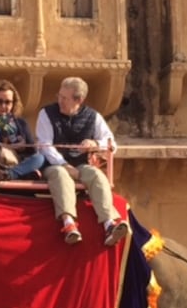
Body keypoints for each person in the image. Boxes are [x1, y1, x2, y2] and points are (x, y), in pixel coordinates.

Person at [36, 76, 130, 246]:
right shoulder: (46, 113)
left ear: (79, 100)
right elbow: (44, 145)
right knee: (60, 175)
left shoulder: (92, 116)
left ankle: (109, 224)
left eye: (65, 98)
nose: (60, 101)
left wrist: (95, 144)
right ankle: (69, 224)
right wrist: (64, 164)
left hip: (80, 164)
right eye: (60, 96)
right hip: (53, 165)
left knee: (96, 174)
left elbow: (111, 144)